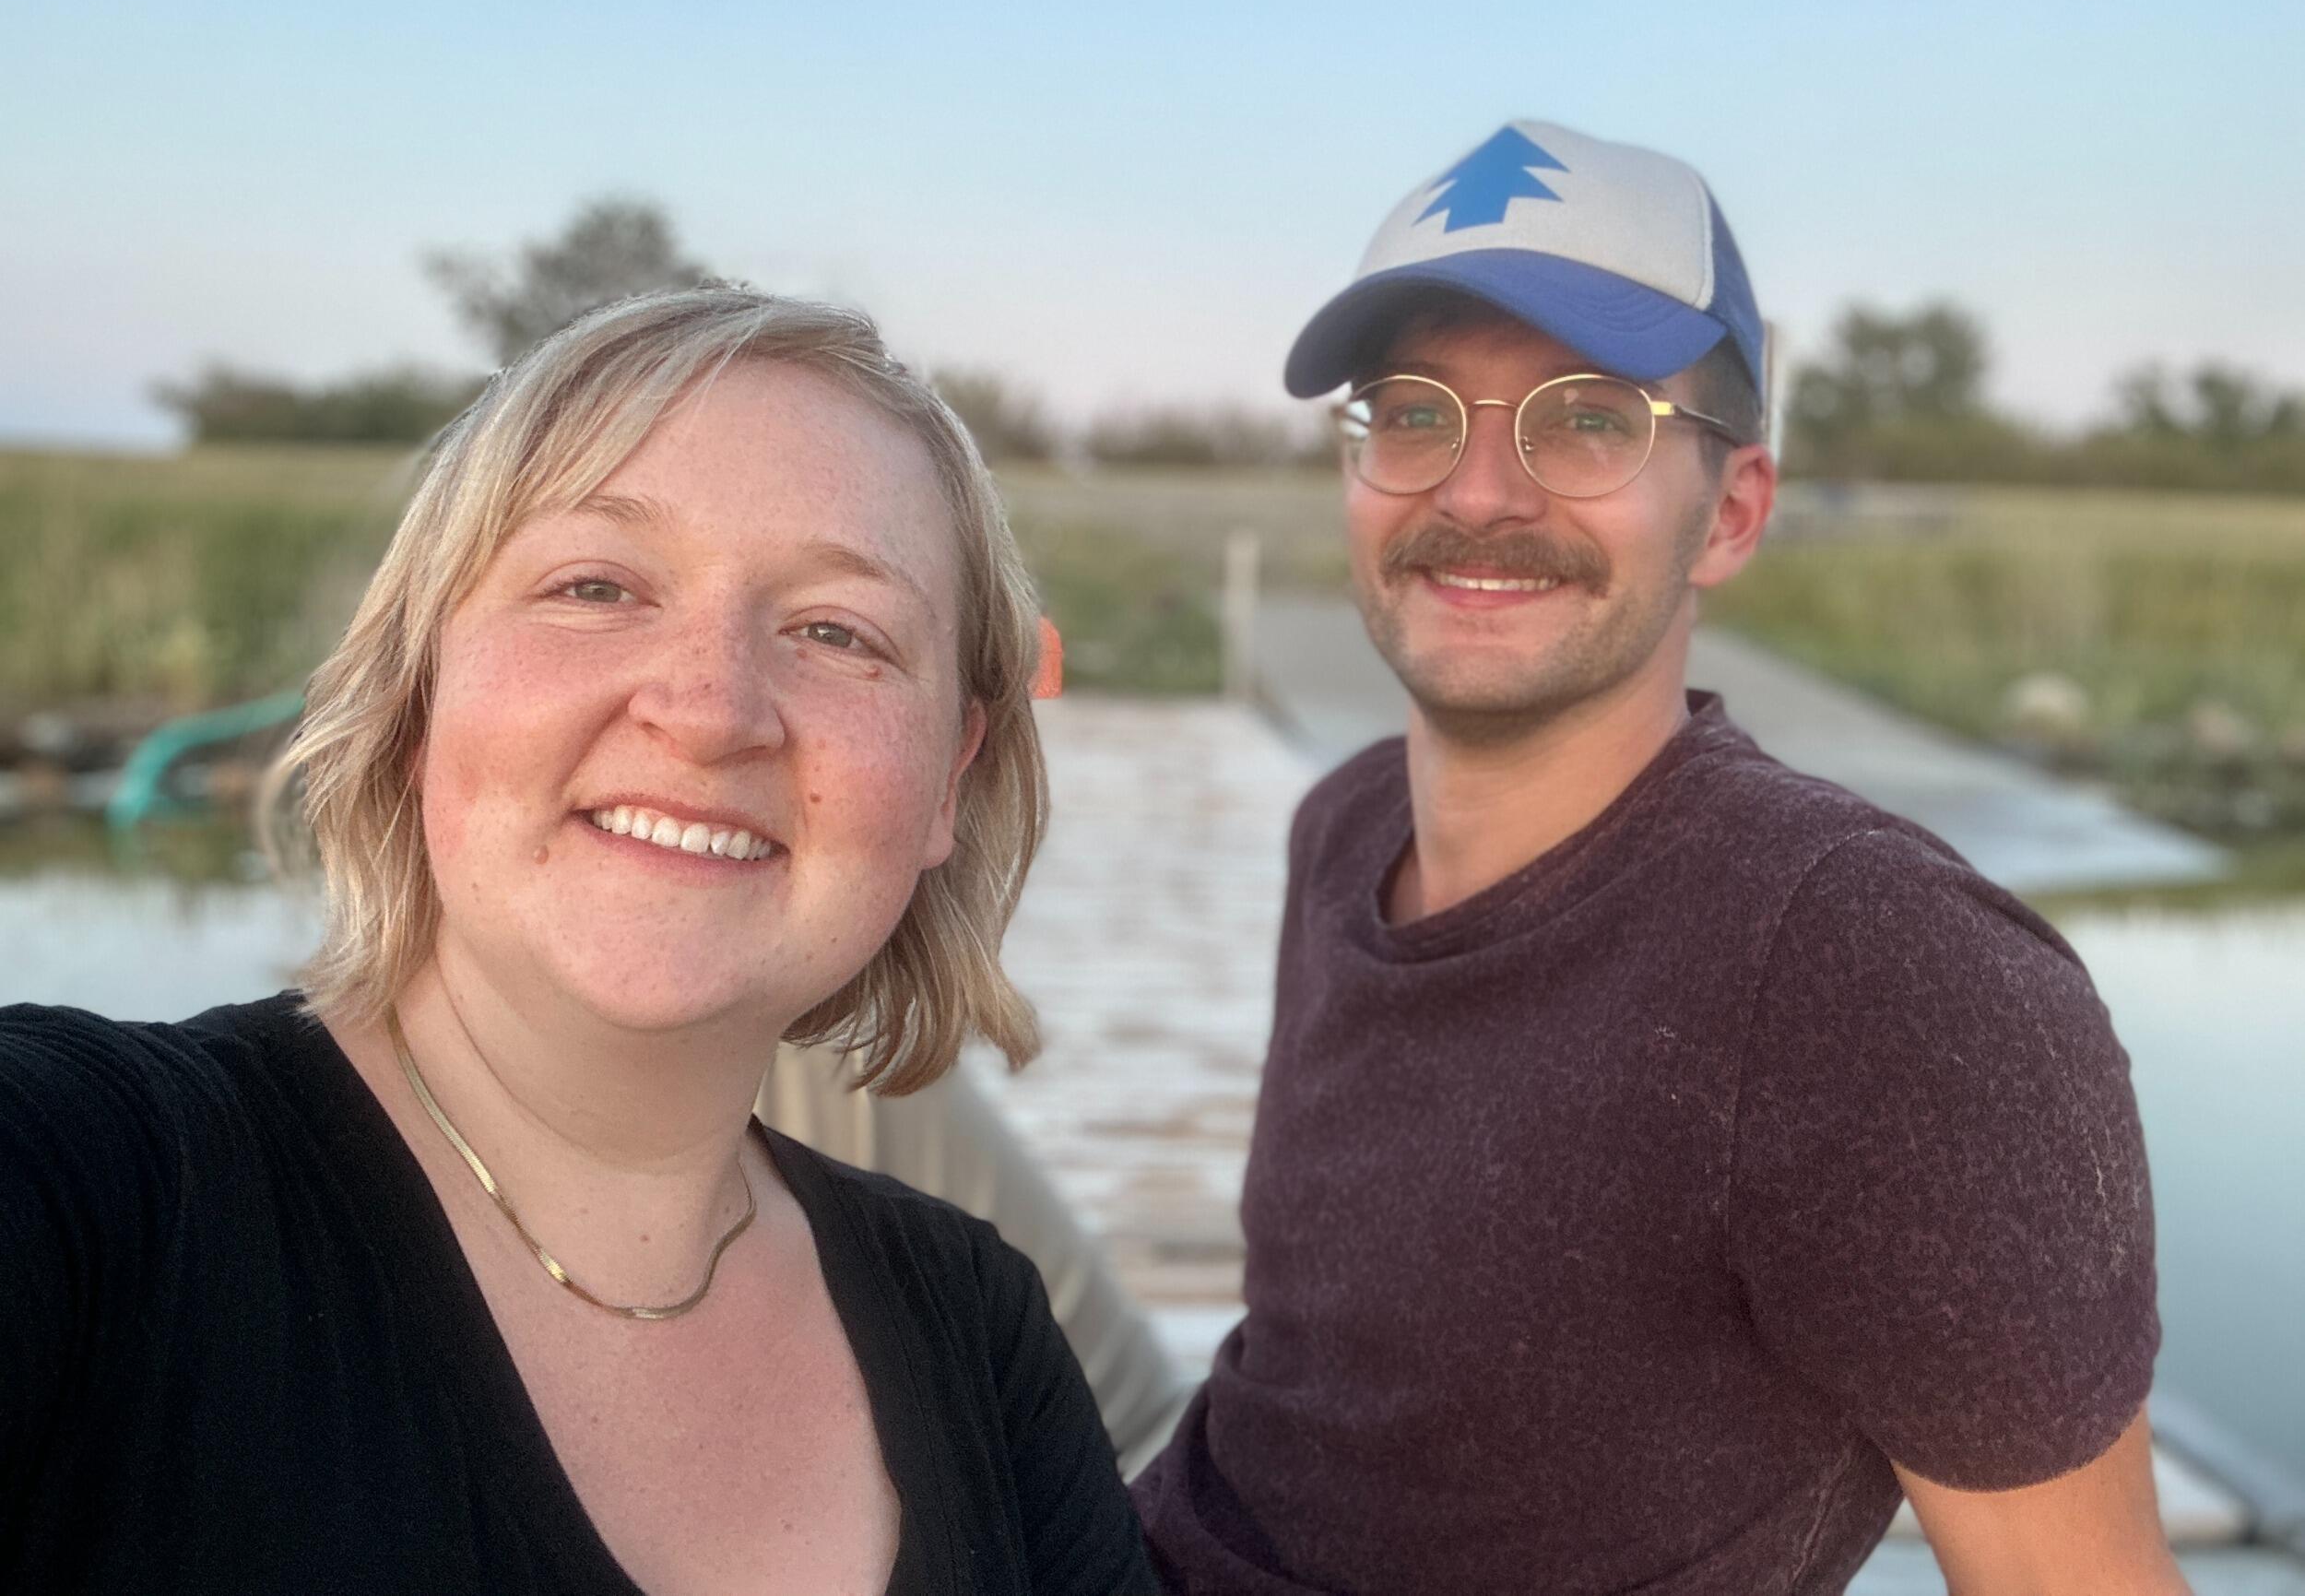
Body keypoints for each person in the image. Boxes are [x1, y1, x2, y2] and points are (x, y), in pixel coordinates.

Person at [1130, 121, 2181, 1593]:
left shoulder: (1879, 977)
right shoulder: (1348, 825)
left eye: (1588, 418)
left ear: (1732, 510)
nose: (1480, 493)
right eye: (1414, 413)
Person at [0, 289, 1154, 1594]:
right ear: (422, 683)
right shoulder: (90, 1187)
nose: (714, 709)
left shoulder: (981, 1333)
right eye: (595, 585)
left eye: (838, 632)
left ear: (949, 778)